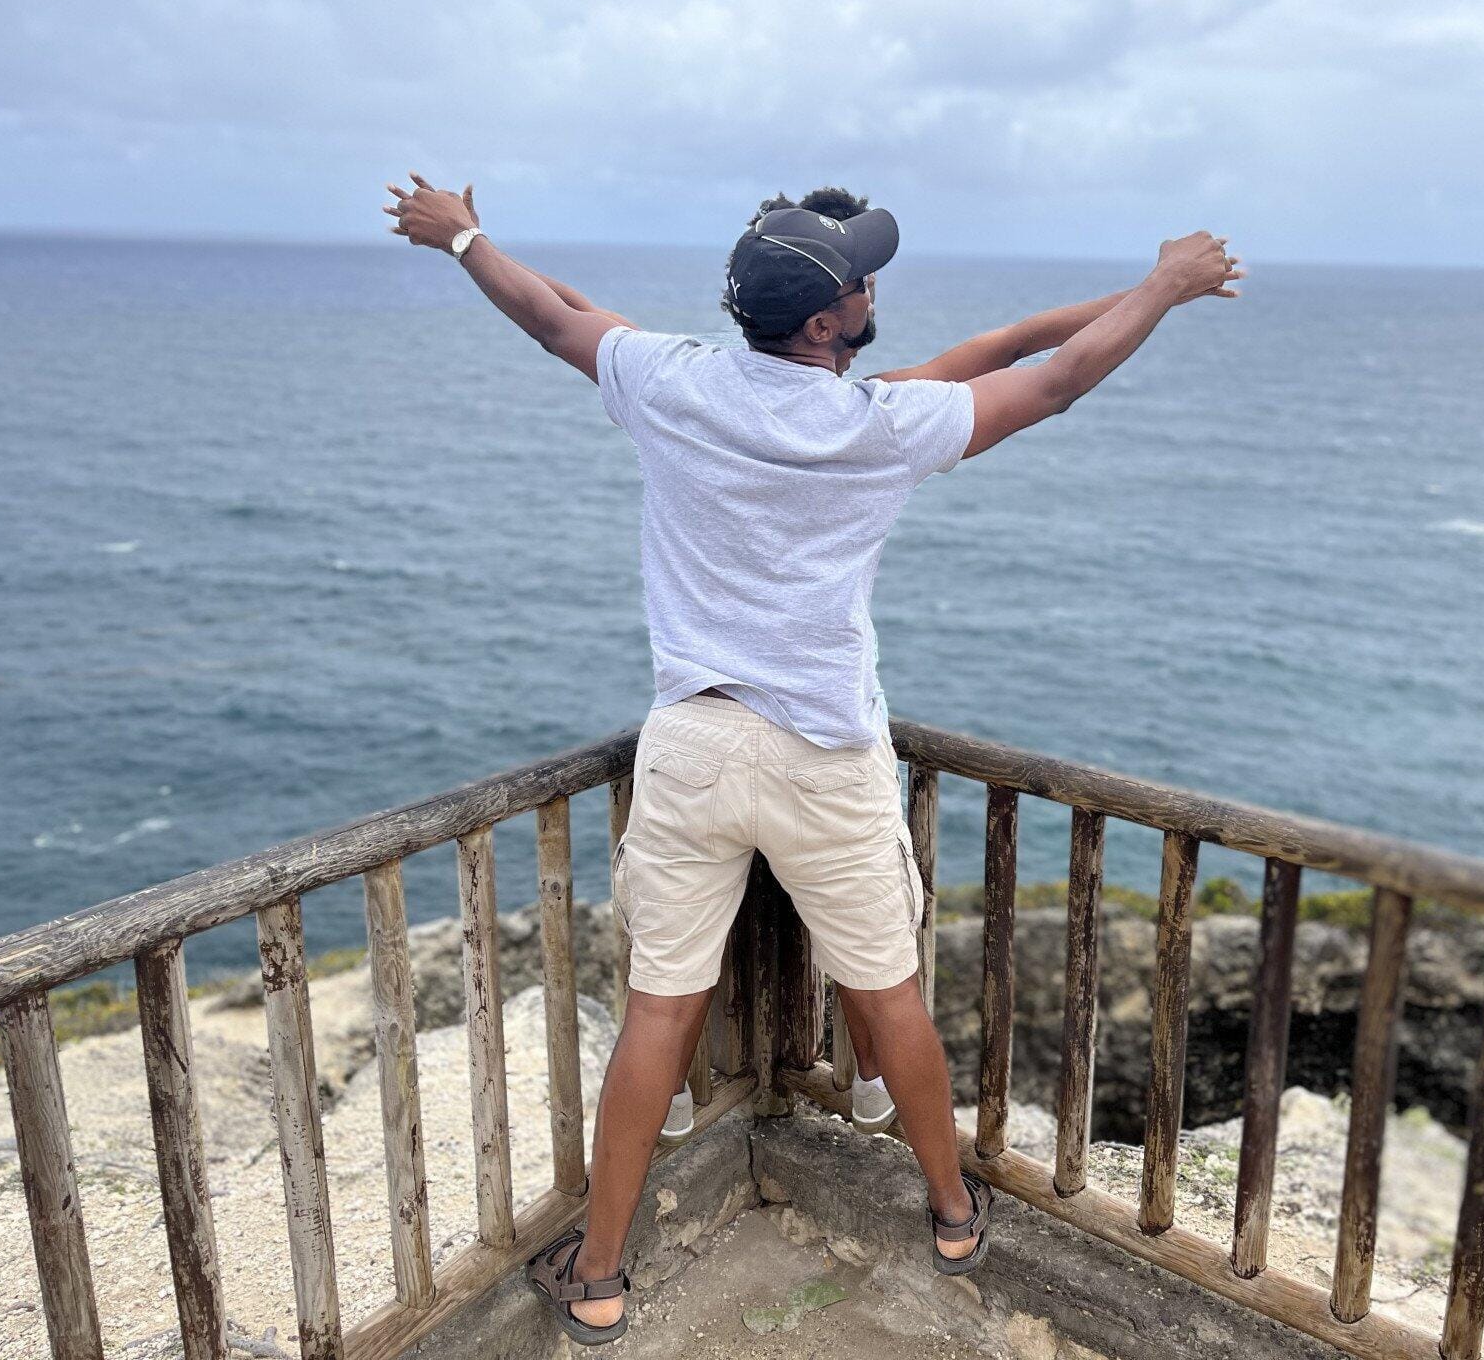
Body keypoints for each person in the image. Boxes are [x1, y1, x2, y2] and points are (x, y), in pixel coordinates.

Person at [383, 173, 1241, 1345]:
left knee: (656, 1013)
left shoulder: (671, 381)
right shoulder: (876, 428)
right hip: (821, 755)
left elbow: (552, 314)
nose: (876, 284)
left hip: (691, 743)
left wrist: (463, 237)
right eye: (859, 278)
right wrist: (1167, 287)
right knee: (887, 996)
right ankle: (950, 1213)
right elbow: (1053, 381)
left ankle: (596, 1276)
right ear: (828, 324)